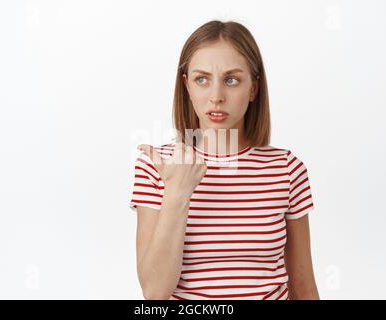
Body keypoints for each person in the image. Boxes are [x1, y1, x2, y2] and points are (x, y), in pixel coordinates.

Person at [129, 20, 319, 300]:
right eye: (202, 79)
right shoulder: (156, 166)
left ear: (253, 88)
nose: (216, 97)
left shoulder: (287, 169)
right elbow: (155, 292)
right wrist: (177, 193)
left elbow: (303, 287)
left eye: (232, 80)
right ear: (187, 87)